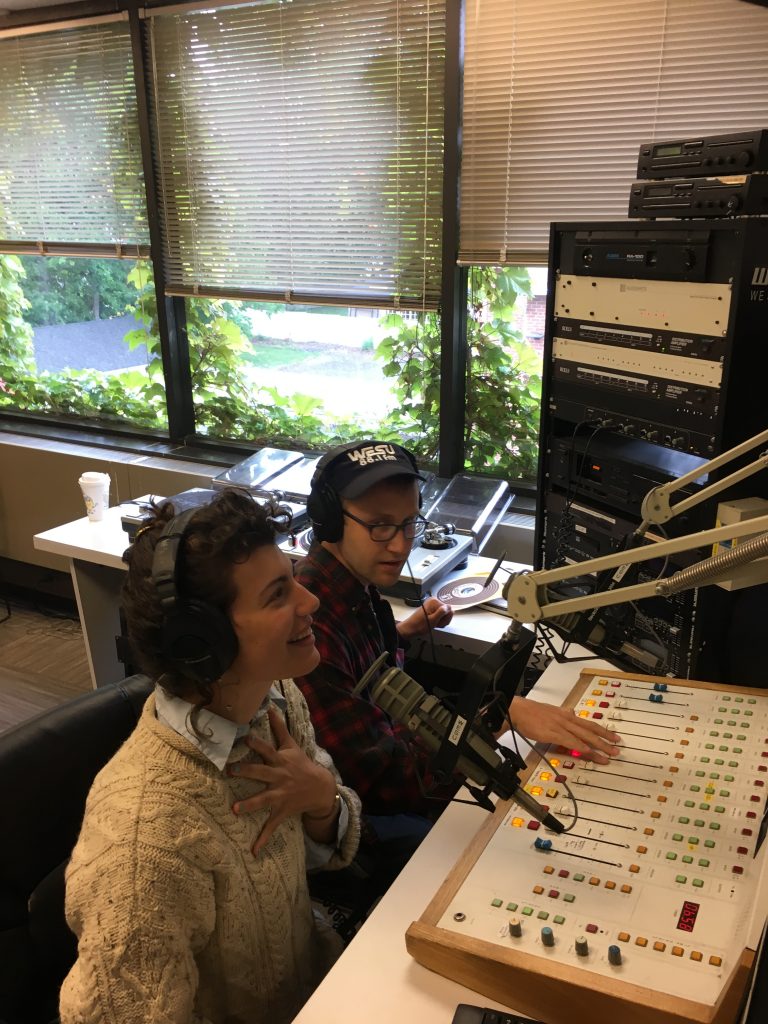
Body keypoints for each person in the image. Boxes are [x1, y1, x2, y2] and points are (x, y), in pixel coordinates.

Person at [234, 440, 621, 861]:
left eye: (408, 524)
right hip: (370, 819)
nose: (400, 546)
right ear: (329, 521)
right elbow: (382, 782)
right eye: (380, 526)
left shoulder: (357, 594)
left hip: (399, 766)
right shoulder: (312, 629)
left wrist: (403, 632)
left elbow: (376, 686)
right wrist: (490, 726)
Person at [59, 489, 361, 1024]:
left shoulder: (274, 699)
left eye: (294, 578)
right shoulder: (143, 840)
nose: (310, 602)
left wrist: (322, 802)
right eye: (277, 595)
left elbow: (319, 852)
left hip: (321, 988)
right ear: (204, 642)